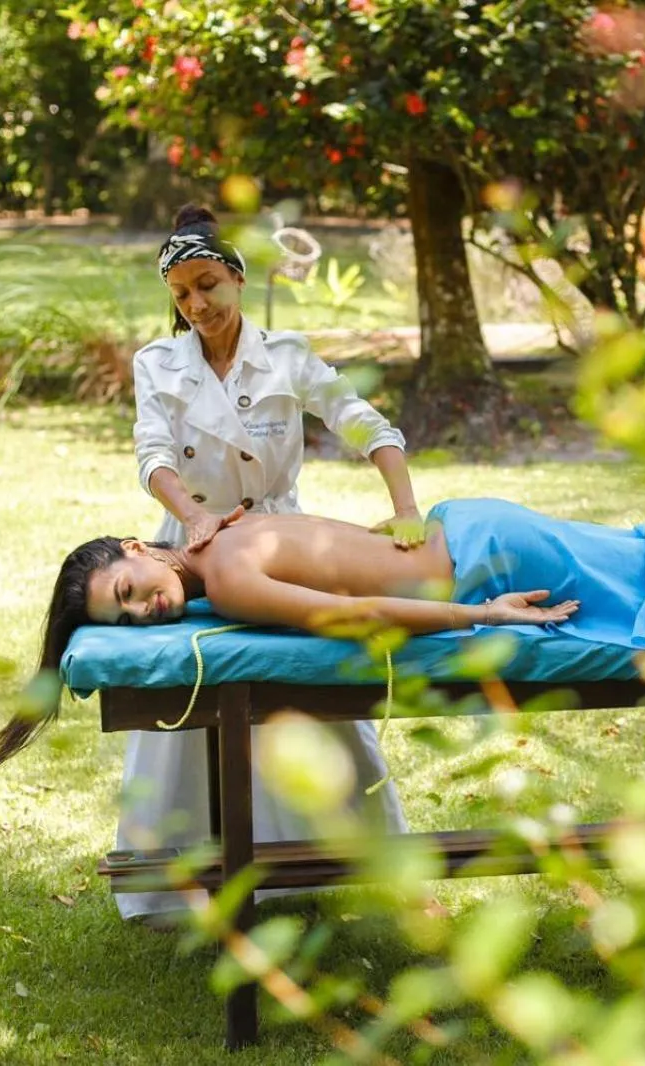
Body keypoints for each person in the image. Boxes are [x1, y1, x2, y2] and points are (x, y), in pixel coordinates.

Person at [0, 498, 645, 783]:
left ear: (140, 547)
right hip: (470, 534)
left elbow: (362, 616)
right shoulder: (219, 535)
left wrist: (489, 617)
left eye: (129, 590)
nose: (145, 612)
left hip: (482, 564)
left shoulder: (224, 574)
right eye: (128, 617)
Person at [114, 203, 421, 920]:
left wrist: (405, 505)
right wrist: (195, 518)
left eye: (208, 286)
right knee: (190, 696)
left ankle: (349, 863)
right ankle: (182, 878)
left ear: (239, 278)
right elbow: (152, 454)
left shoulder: (286, 356)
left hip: (283, 540)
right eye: (181, 294)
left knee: (313, 682)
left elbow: (364, 423)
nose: (196, 306)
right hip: (193, 543)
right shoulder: (157, 363)